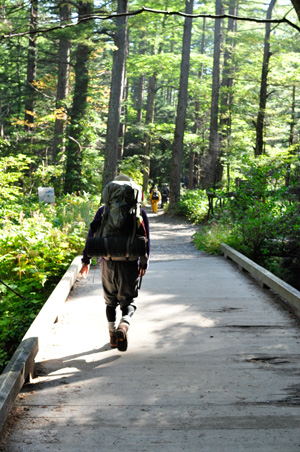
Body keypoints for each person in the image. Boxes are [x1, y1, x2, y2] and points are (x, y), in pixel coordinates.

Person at [80, 175, 150, 352]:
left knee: (110, 302)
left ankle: (112, 336)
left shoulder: (104, 210)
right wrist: (143, 263)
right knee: (129, 302)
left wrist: (86, 260)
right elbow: (145, 240)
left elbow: (92, 235)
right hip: (129, 262)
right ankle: (123, 326)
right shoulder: (139, 212)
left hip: (108, 262)